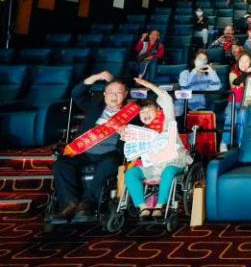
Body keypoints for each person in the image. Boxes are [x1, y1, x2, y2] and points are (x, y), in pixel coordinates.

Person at [51, 71, 133, 222]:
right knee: (61, 164)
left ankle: (87, 204)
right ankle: (69, 204)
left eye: (119, 92)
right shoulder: (95, 105)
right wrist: (95, 77)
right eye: (110, 92)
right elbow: (76, 93)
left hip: (109, 154)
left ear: (125, 94)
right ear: (104, 94)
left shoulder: (132, 114)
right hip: (84, 151)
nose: (114, 96)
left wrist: (128, 132)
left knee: (109, 163)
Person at [122, 78, 192, 219]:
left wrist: (148, 85)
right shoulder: (141, 131)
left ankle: (159, 206)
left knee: (168, 171)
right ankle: (143, 207)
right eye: (142, 112)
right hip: (152, 165)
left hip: (173, 161)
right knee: (130, 174)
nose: (145, 114)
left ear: (158, 110)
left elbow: (166, 99)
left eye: (149, 110)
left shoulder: (167, 122)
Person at [176, 50, 222, 116]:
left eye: (205, 59)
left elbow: (217, 86)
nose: (202, 61)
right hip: (182, 103)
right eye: (200, 59)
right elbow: (185, 86)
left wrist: (212, 72)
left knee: (200, 117)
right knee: (175, 115)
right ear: (194, 60)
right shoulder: (184, 73)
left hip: (198, 104)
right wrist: (194, 71)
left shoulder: (208, 75)